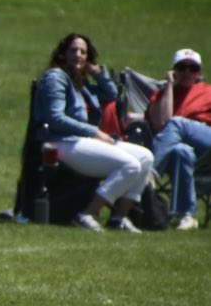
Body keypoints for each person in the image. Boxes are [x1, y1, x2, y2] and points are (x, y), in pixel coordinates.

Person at [33, 33, 153, 233]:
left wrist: (97, 72)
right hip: (62, 142)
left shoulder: (79, 82)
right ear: (62, 54)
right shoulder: (55, 77)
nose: (79, 55)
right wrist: (95, 132)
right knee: (130, 165)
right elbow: (55, 118)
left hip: (82, 140)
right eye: (73, 50)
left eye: (83, 52)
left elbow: (111, 95)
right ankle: (86, 214)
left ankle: (118, 218)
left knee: (145, 157)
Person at [146, 48, 210, 231]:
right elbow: (161, 123)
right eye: (182, 67)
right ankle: (187, 216)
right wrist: (169, 87)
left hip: (207, 142)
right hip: (184, 149)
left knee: (178, 123)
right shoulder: (163, 94)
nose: (187, 72)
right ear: (174, 70)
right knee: (181, 151)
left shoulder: (208, 91)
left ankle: (149, 175)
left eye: (193, 68)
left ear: (199, 72)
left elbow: (171, 123)